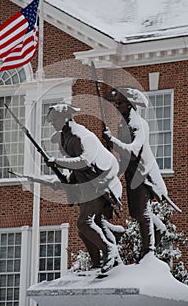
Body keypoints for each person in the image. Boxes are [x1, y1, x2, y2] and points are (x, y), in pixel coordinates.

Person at [44, 103, 124, 273]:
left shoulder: (82, 136)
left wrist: (57, 161)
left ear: (66, 117)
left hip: (102, 185)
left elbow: (84, 161)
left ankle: (110, 250)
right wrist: (62, 180)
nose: (54, 123)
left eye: (56, 119)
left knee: (84, 223)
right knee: (90, 227)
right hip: (88, 187)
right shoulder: (66, 138)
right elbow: (74, 171)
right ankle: (98, 263)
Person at [103, 86, 168, 261]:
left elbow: (133, 152)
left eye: (120, 104)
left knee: (143, 212)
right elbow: (123, 155)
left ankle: (149, 252)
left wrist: (112, 140)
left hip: (143, 174)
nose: (117, 107)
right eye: (116, 104)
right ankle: (159, 229)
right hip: (131, 174)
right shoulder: (122, 125)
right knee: (136, 212)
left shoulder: (137, 124)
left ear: (130, 105)